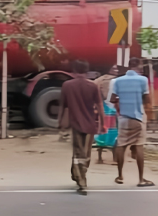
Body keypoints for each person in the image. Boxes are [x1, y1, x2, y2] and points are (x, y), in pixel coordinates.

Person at [58, 60, 104, 194]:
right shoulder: (93, 86)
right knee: (86, 153)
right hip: (90, 123)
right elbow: (100, 106)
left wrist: (60, 121)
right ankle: (79, 176)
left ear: (73, 70)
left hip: (76, 123)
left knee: (78, 153)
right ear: (87, 71)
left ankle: (81, 180)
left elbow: (62, 105)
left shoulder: (67, 85)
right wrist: (103, 123)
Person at [112, 57, 153, 187]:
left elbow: (113, 98)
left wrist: (123, 98)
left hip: (123, 118)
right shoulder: (143, 80)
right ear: (139, 66)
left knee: (121, 145)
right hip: (138, 117)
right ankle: (141, 179)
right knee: (139, 146)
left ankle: (119, 175)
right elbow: (147, 99)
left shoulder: (117, 81)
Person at [94, 65, 119, 163]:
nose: (116, 70)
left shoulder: (99, 80)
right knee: (113, 133)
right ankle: (114, 158)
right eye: (114, 68)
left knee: (102, 133)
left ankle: (100, 158)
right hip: (111, 109)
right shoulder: (115, 81)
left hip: (103, 109)